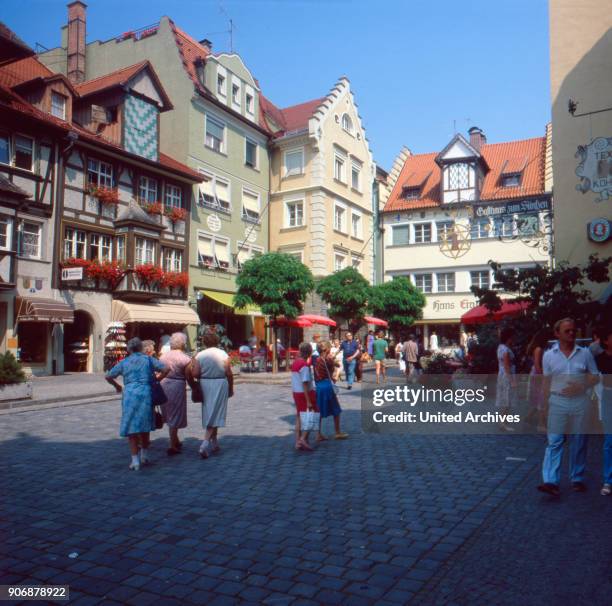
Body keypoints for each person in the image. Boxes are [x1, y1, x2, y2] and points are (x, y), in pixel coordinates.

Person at [538, 318, 599, 496]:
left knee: (579, 440)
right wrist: (543, 407)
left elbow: (595, 376)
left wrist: (581, 386)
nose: (572, 334)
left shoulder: (585, 353)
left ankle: (577, 478)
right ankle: (550, 481)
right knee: (554, 441)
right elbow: (546, 382)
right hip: (557, 401)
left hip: (580, 400)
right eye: (567, 331)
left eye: (573, 331)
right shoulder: (549, 355)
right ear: (557, 334)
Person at [105, 337, 169, 470]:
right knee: (145, 424)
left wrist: (117, 386)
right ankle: (144, 455)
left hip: (129, 395)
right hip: (145, 393)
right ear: (140, 347)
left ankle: (135, 460)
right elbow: (166, 369)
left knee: (131, 426)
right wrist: (157, 379)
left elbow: (108, 376)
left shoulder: (125, 362)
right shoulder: (148, 359)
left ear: (129, 349)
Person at [190, 332, 234, 459]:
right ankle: (205, 444)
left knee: (210, 410)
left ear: (204, 342)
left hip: (205, 384)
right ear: (217, 341)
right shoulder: (222, 354)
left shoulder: (200, 355)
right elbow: (228, 373)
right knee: (216, 411)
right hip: (220, 383)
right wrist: (231, 388)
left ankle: (214, 442)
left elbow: (195, 374)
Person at [159, 332, 191, 456]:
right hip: (177, 385)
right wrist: (195, 387)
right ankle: (172, 445)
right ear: (183, 344)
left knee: (168, 412)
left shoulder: (163, 357)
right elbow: (188, 376)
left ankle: (175, 440)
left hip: (164, 384)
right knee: (175, 414)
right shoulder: (185, 358)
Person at [314, 340, 348, 439]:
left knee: (319, 410)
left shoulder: (317, 359)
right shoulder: (328, 360)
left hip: (319, 386)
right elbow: (336, 366)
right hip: (327, 385)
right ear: (328, 349)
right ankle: (337, 432)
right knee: (336, 409)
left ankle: (318, 434)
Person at [291, 342, 319, 451]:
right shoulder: (304, 365)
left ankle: (298, 441)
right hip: (305, 393)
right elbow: (305, 383)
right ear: (309, 352)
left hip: (296, 392)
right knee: (312, 415)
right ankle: (303, 439)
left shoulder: (295, 362)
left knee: (299, 416)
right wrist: (308, 400)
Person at [595, 326, 612, 496]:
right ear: (606, 341)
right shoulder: (600, 359)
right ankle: (608, 479)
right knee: (609, 440)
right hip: (608, 398)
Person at [525, 329, 549, 431]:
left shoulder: (536, 348)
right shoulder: (539, 349)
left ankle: (528, 418)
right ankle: (541, 424)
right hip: (538, 376)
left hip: (535, 375)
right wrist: (544, 376)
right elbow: (537, 365)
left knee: (538, 399)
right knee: (542, 399)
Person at [495, 327, 517, 432]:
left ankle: (503, 421)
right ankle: (502, 423)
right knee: (507, 400)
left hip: (502, 375)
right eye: (512, 337)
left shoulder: (501, 347)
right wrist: (512, 381)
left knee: (505, 398)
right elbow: (507, 366)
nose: (514, 339)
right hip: (507, 376)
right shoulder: (506, 350)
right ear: (509, 338)